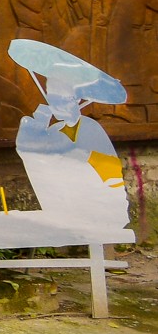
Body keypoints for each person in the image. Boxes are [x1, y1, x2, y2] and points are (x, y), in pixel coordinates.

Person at [9, 39, 130, 230]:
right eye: (52, 98)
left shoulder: (90, 128)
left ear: (75, 99)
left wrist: (84, 156)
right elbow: (36, 162)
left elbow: (111, 171)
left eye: (61, 99)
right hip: (67, 206)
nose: (56, 105)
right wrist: (34, 131)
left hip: (103, 205)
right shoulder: (53, 131)